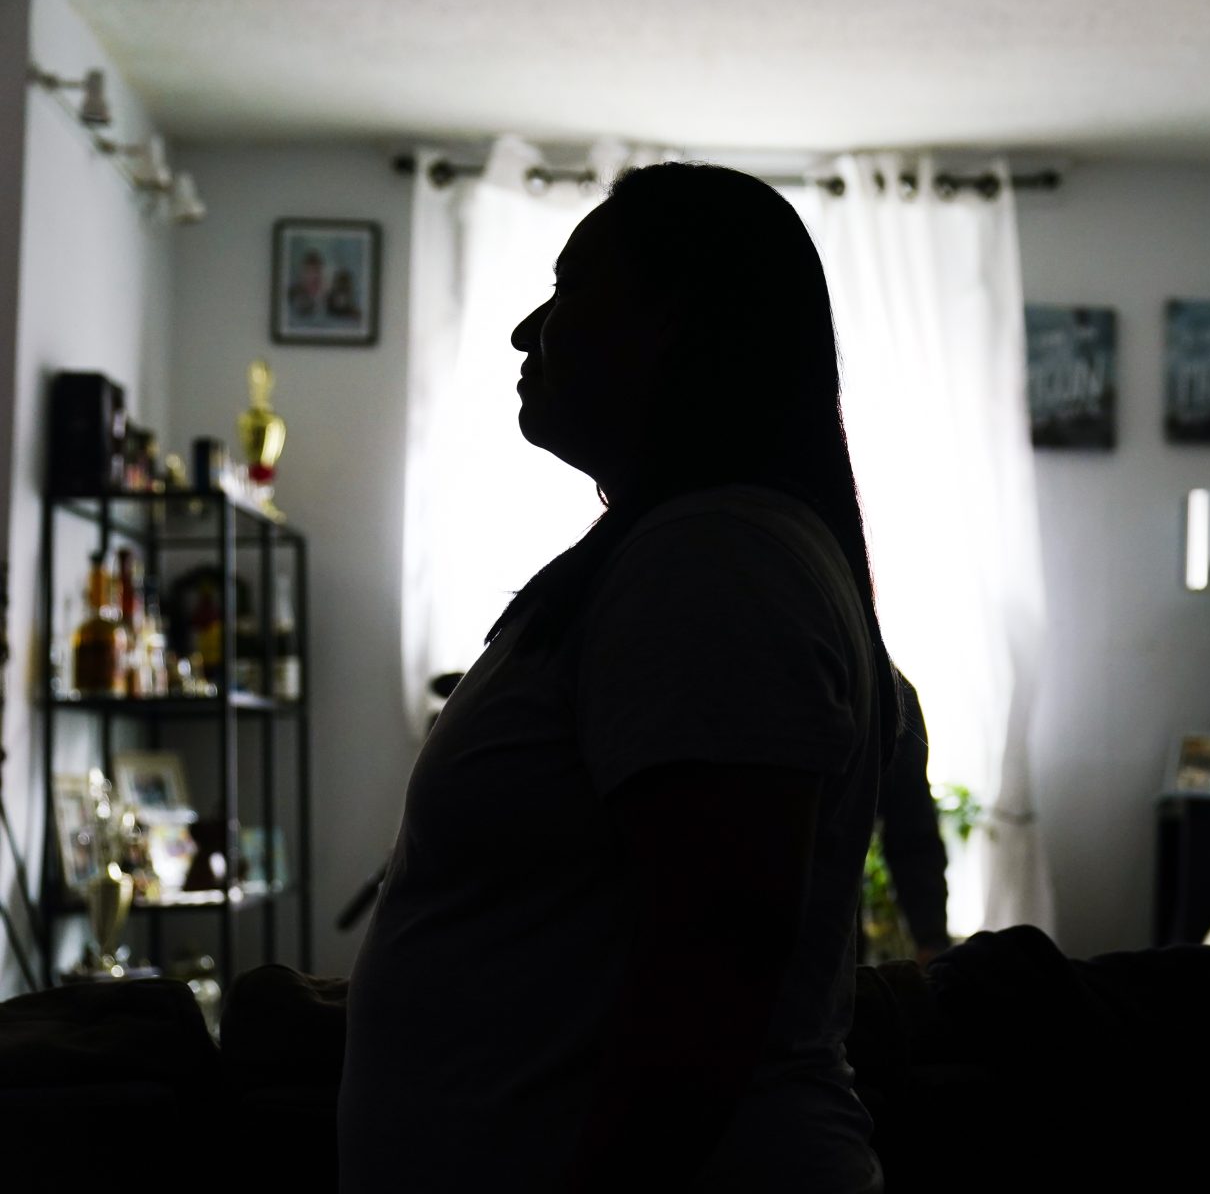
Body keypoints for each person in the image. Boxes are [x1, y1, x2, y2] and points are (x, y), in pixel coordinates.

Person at [338, 162, 900, 1192]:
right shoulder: (683, 551)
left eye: (568, 286)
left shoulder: (714, 561)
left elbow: (713, 966)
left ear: (678, 319)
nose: (526, 331)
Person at [875, 673, 951, 965]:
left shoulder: (891, 691)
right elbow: (914, 835)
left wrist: (931, 942)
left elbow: (913, 833)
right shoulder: (888, 687)